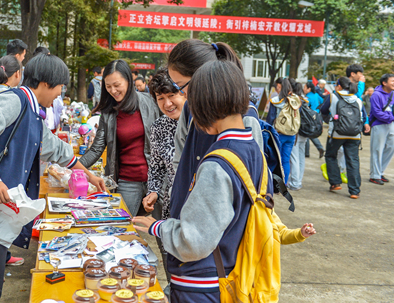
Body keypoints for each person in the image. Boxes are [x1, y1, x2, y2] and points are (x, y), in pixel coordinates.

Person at [133, 60, 316, 303]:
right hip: (232, 273)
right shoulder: (254, 150)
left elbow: (194, 242)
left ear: (203, 105)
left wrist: (155, 226)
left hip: (202, 284)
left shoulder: (216, 164)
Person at [0, 54, 106, 303]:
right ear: (45, 83)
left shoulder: (33, 112)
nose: (60, 94)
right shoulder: (15, 101)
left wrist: (91, 176)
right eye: (60, 87)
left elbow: (57, 149)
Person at [168, 40, 263, 221]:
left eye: (182, 86)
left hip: (218, 228)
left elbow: (251, 185)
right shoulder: (190, 109)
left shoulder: (244, 117)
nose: (182, 94)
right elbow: (179, 159)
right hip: (185, 217)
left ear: (205, 76)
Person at [80, 60, 160, 217]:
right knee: (122, 229)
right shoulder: (108, 112)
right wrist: (74, 167)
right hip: (127, 181)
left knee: (163, 234)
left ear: (129, 81)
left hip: (157, 181)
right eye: (108, 86)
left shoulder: (150, 102)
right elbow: (96, 148)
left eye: (117, 85)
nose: (113, 90)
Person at [142, 69, 186, 220]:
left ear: (184, 93)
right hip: (172, 204)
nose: (167, 104)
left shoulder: (202, 124)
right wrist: (153, 191)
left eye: (171, 96)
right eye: (160, 98)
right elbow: (156, 166)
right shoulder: (159, 127)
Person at [320, 77, 366, 198]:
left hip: (337, 133)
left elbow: (323, 110)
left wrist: (330, 120)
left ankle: (335, 183)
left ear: (339, 86)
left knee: (330, 155)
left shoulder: (333, 96)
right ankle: (355, 191)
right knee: (353, 160)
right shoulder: (357, 99)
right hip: (354, 134)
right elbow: (363, 116)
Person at [268, 78, 302, 180]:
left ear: (280, 86)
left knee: (273, 159)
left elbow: (270, 117)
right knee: (285, 160)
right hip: (291, 134)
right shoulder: (295, 100)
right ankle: (284, 183)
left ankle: (272, 182)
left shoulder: (276, 100)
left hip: (278, 133)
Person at [368, 73, 394, 185]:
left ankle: (380, 172)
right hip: (379, 124)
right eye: (392, 81)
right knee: (377, 149)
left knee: (390, 148)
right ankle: (374, 175)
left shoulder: (393, 94)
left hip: (391, 124)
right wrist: (391, 117)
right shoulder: (376, 95)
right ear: (384, 83)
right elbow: (377, 113)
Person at [288, 82, 309, 190]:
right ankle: (298, 180)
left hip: (296, 132)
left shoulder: (295, 100)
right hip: (305, 132)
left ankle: (294, 182)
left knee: (294, 157)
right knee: (301, 157)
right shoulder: (305, 100)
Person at [304, 82, 325, 159]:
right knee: (311, 133)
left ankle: (306, 152)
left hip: (308, 117)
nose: (304, 89)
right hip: (317, 116)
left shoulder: (307, 98)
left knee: (306, 134)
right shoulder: (316, 95)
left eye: (305, 87)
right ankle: (320, 148)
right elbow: (322, 101)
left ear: (309, 89)